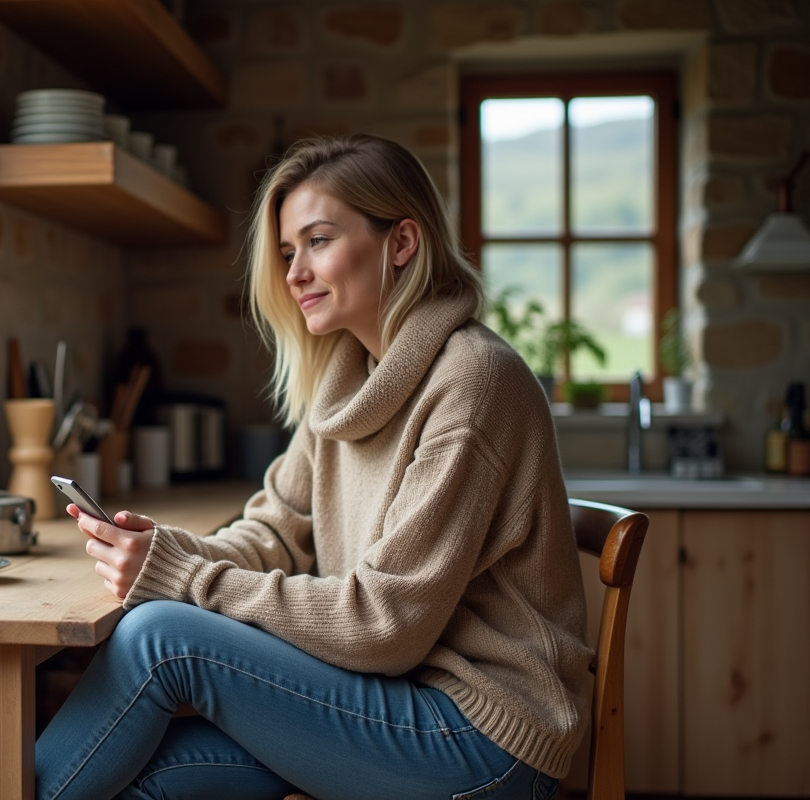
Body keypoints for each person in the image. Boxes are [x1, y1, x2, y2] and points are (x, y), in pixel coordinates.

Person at [35, 135, 592, 800]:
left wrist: (185, 581)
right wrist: (165, 551)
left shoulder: (472, 384)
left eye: (318, 241)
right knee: (138, 778)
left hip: (480, 738)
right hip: (386, 699)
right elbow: (275, 534)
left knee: (160, 637)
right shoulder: (348, 381)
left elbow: (386, 625)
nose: (294, 271)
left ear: (402, 244)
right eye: (288, 251)